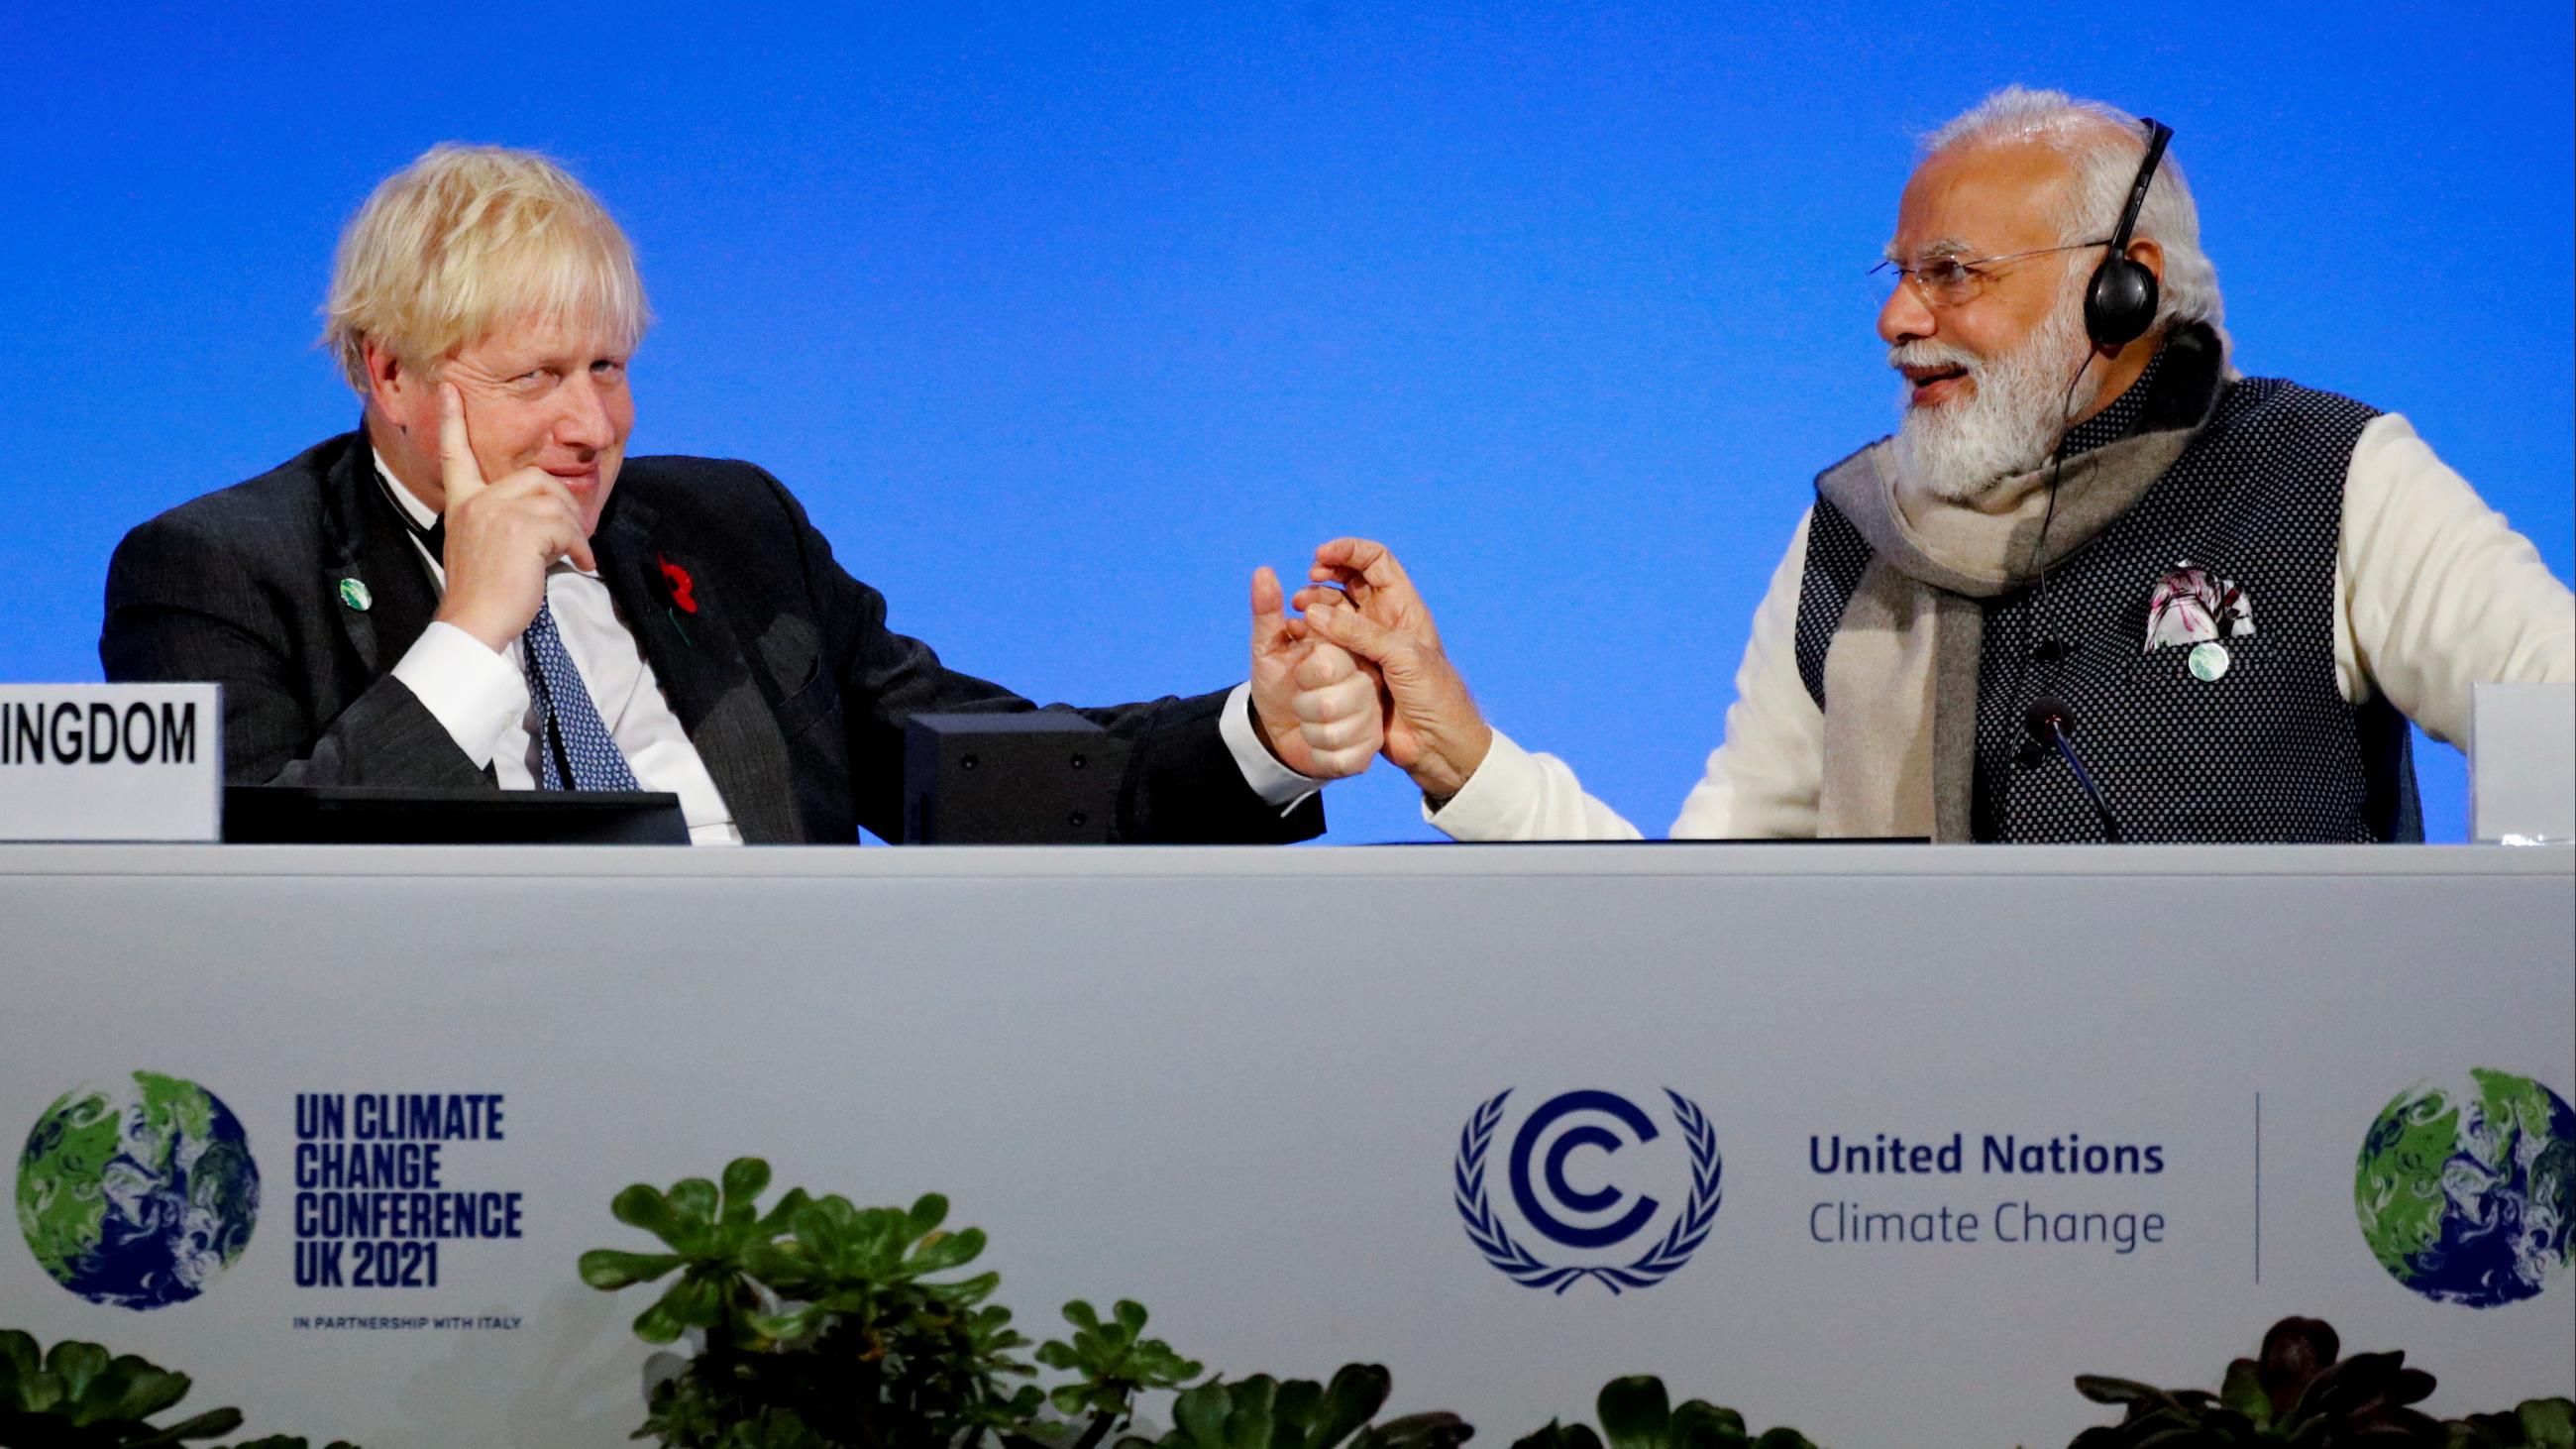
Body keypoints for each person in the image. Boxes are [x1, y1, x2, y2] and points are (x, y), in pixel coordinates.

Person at [1296, 86, 2575, 843]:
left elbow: (2560, 715)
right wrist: (1468, 760)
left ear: (2122, 292)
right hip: (1909, 1186)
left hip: (2267, 1182)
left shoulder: (2330, 478)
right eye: (1899, 276)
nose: (1896, 320)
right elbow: (1696, 926)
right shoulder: (1855, 532)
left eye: (1952, 273)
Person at [101, 145, 1382, 844]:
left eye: (609, 367)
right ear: (390, 371)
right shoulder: (217, 568)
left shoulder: (730, 531)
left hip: (797, 1087)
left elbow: (981, 769)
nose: (591, 424)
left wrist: (1254, 740)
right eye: (537, 374)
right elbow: (249, 884)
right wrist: (470, 635)